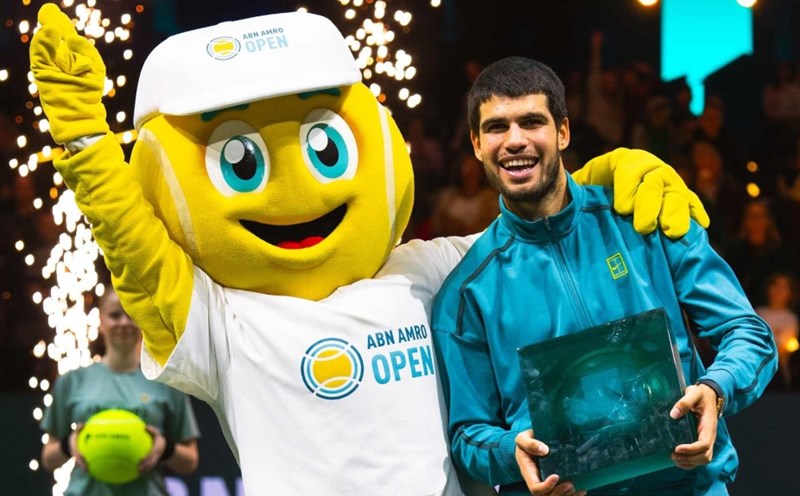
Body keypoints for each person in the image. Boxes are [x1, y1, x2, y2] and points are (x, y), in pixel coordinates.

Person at [30, 5, 707, 494]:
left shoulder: (418, 271)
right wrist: (89, 148)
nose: (297, 188)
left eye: (324, 147)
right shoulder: (219, 320)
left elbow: (532, 227)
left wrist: (610, 177)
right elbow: (137, 251)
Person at [431, 56, 777, 496]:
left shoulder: (645, 220)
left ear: (563, 132)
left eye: (532, 122)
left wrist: (717, 387)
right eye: (497, 127)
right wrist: (508, 451)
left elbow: (749, 333)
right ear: (477, 145)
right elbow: (467, 434)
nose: (514, 141)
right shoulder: (468, 293)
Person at [40, 286, 200, 495]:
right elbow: (48, 459)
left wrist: (165, 447)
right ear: (101, 321)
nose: (124, 322)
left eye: (131, 315)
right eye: (115, 315)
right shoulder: (71, 381)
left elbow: (190, 460)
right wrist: (68, 444)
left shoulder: (166, 382)